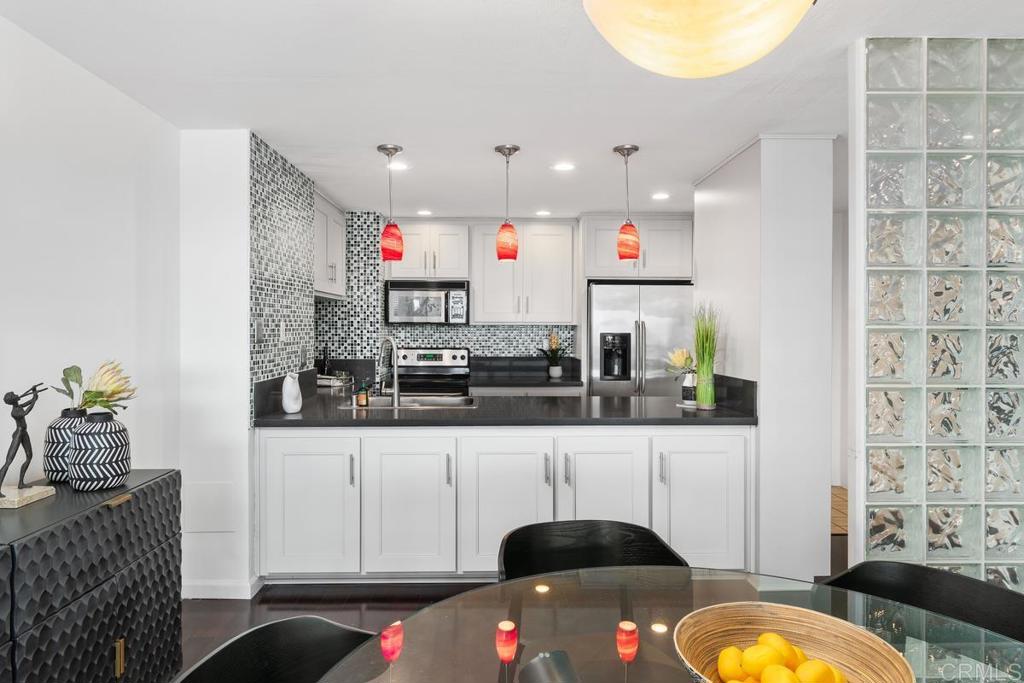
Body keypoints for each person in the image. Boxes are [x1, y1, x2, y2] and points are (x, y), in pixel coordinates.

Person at [1, 384, 45, 496]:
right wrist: (34, 400)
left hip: (24, 433)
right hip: (18, 434)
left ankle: (21, 483)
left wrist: (34, 392)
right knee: (8, 461)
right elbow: (26, 412)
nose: (17, 394)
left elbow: (33, 399)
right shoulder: (14, 412)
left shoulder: (19, 406)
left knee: (29, 456)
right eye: (14, 395)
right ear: (13, 400)